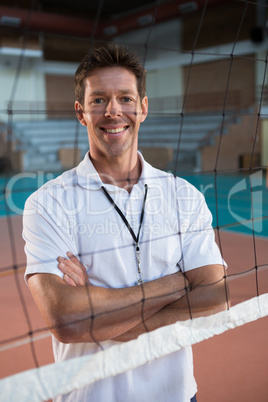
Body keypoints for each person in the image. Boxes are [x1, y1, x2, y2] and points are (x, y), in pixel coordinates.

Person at [23, 43, 228, 402]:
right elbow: (67, 321)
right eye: (99, 99)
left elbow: (216, 296)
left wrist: (100, 312)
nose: (114, 111)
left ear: (143, 108)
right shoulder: (48, 203)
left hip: (176, 395)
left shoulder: (183, 195)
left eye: (126, 99)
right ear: (80, 112)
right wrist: (178, 284)